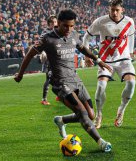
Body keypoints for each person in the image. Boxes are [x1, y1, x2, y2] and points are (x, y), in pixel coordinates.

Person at [14, 9, 113, 152]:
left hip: (75, 79)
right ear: (58, 23)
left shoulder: (73, 35)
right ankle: (101, 142)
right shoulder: (47, 38)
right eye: (65, 26)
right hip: (60, 83)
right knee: (82, 112)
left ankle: (61, 120)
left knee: (91, 115)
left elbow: (82, 48)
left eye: (72, 26)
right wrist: (20, 74)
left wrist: (98, 60)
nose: (69, 29)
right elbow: (30, 54)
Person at [82, 0, 136, 129]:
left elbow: (131, 37)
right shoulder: (101, 22)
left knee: (131, 83)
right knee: (100, 87)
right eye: (112, 10)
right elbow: (86, 37)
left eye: (117, 10)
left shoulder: (129, 22)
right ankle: (99, 114)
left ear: (122, 9)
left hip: (124, 60)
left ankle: (121, 110)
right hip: (106, 61)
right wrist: (87, 56)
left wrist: (130, 52)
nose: (115, 13)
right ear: (109, 9)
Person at [40, 15, 57, 105]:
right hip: (49, 59)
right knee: (49, 78)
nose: (55, 24)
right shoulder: (45, 32)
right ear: (49, 24)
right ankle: (44, 99)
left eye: (56, 22)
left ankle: (59, 95)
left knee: (60, 77)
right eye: (53, 22)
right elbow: (40, 43)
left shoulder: (57, 31)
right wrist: (43, 52)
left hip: (57, 58)